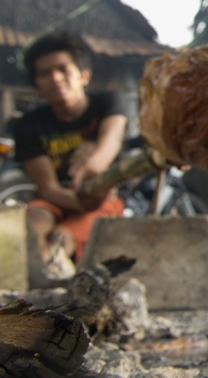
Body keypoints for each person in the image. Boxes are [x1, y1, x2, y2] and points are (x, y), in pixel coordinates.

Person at [11, 31, 127, 274]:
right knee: (34, 226)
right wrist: (76, 200)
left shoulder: (108, 103)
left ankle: (53, 272)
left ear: (84, 75)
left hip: (102, 197)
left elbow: (111, 140)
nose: (55, 78)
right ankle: (36, 280)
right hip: (56, 198)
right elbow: (47, 187)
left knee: (64, 237)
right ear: (37, 84)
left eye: (63, 69)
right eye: (44, 73)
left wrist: (93, 170)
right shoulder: (28, 125)